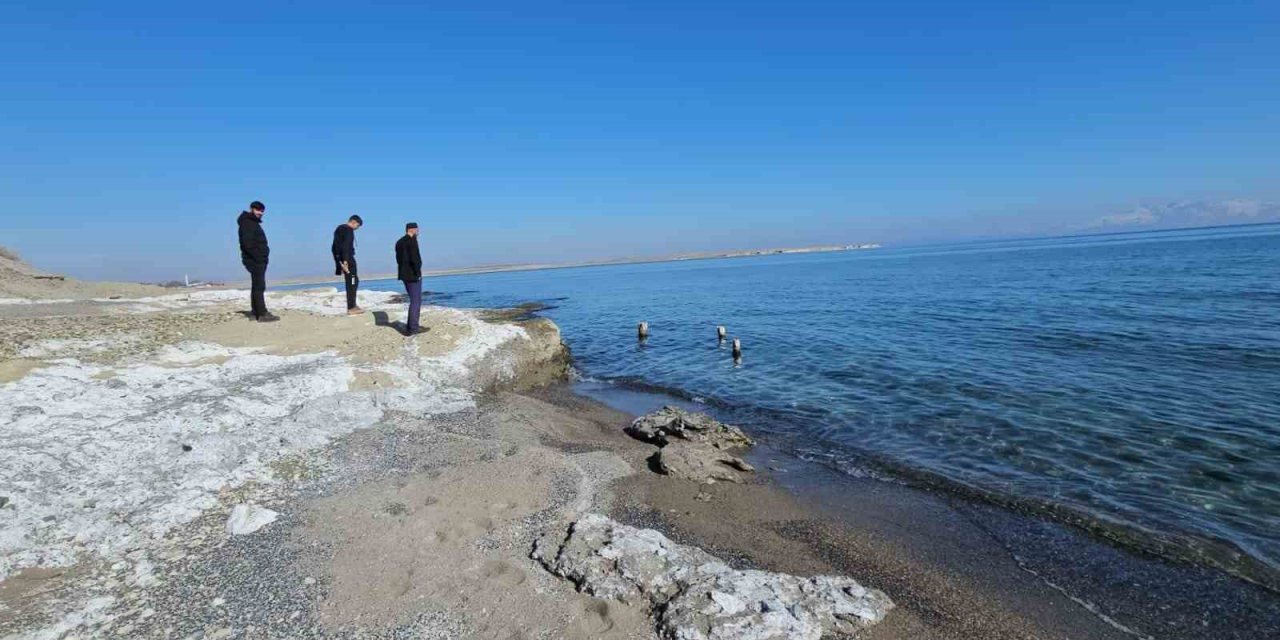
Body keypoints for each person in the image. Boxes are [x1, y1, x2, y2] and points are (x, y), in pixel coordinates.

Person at [237, 201, 278, 322]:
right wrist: (259, 257)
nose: (261, 213)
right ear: (251, 209)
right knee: (259, 286)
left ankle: (255, 312)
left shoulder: (252, 223)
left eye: (262, 211)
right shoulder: (247, 223)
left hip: (256, 259)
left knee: (257, 285)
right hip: (255, 260)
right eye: (258, 210)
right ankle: (262, 313)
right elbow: (247, 243)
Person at [395, 222, 424, 336]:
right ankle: (413, 328)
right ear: (412, 229)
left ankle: (411, 326)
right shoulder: (412, 241)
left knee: (414, 300)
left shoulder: (399, 242)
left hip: (404, 275)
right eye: (417, 230)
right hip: (412, 275)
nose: (418, 232)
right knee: (416, 301)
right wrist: (418, 272)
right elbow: (415, 258)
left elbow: (398, 259)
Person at [331, 214, 364, 314]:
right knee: (353, 281)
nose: (357, 229)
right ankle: (351, 307)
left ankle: (352, 305)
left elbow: (334, 247)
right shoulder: (348, 230)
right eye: (357, 226)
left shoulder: (339, 229)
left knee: (352, 281)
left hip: (342, 260)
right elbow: (345, 246)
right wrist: (345, 262)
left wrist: (338, 261)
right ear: (353, 222)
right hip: (348, 261)